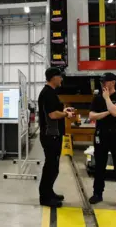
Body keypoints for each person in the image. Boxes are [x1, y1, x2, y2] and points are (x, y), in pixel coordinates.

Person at [88, 72, 116, 209]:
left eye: (105, 82)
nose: (102, 84)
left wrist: (107, 99)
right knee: (99, 166)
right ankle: (97, 193)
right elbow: (92, 116)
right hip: (101, 135)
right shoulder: (97, 98)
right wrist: (107, 111)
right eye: (101, 82)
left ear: (113, 82)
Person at [38, 67, 74, 208]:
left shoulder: (50, 93)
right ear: (54, 77)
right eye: (60, 76)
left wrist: (63, 111)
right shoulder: (48, 93)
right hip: (50, 135)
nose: (62, 79)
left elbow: (52, 111)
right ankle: (45, 198)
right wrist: (66, 114)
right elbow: (52, 115)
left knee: (53, 167)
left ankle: (49, 192)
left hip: (53, 135)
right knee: (51, 167)